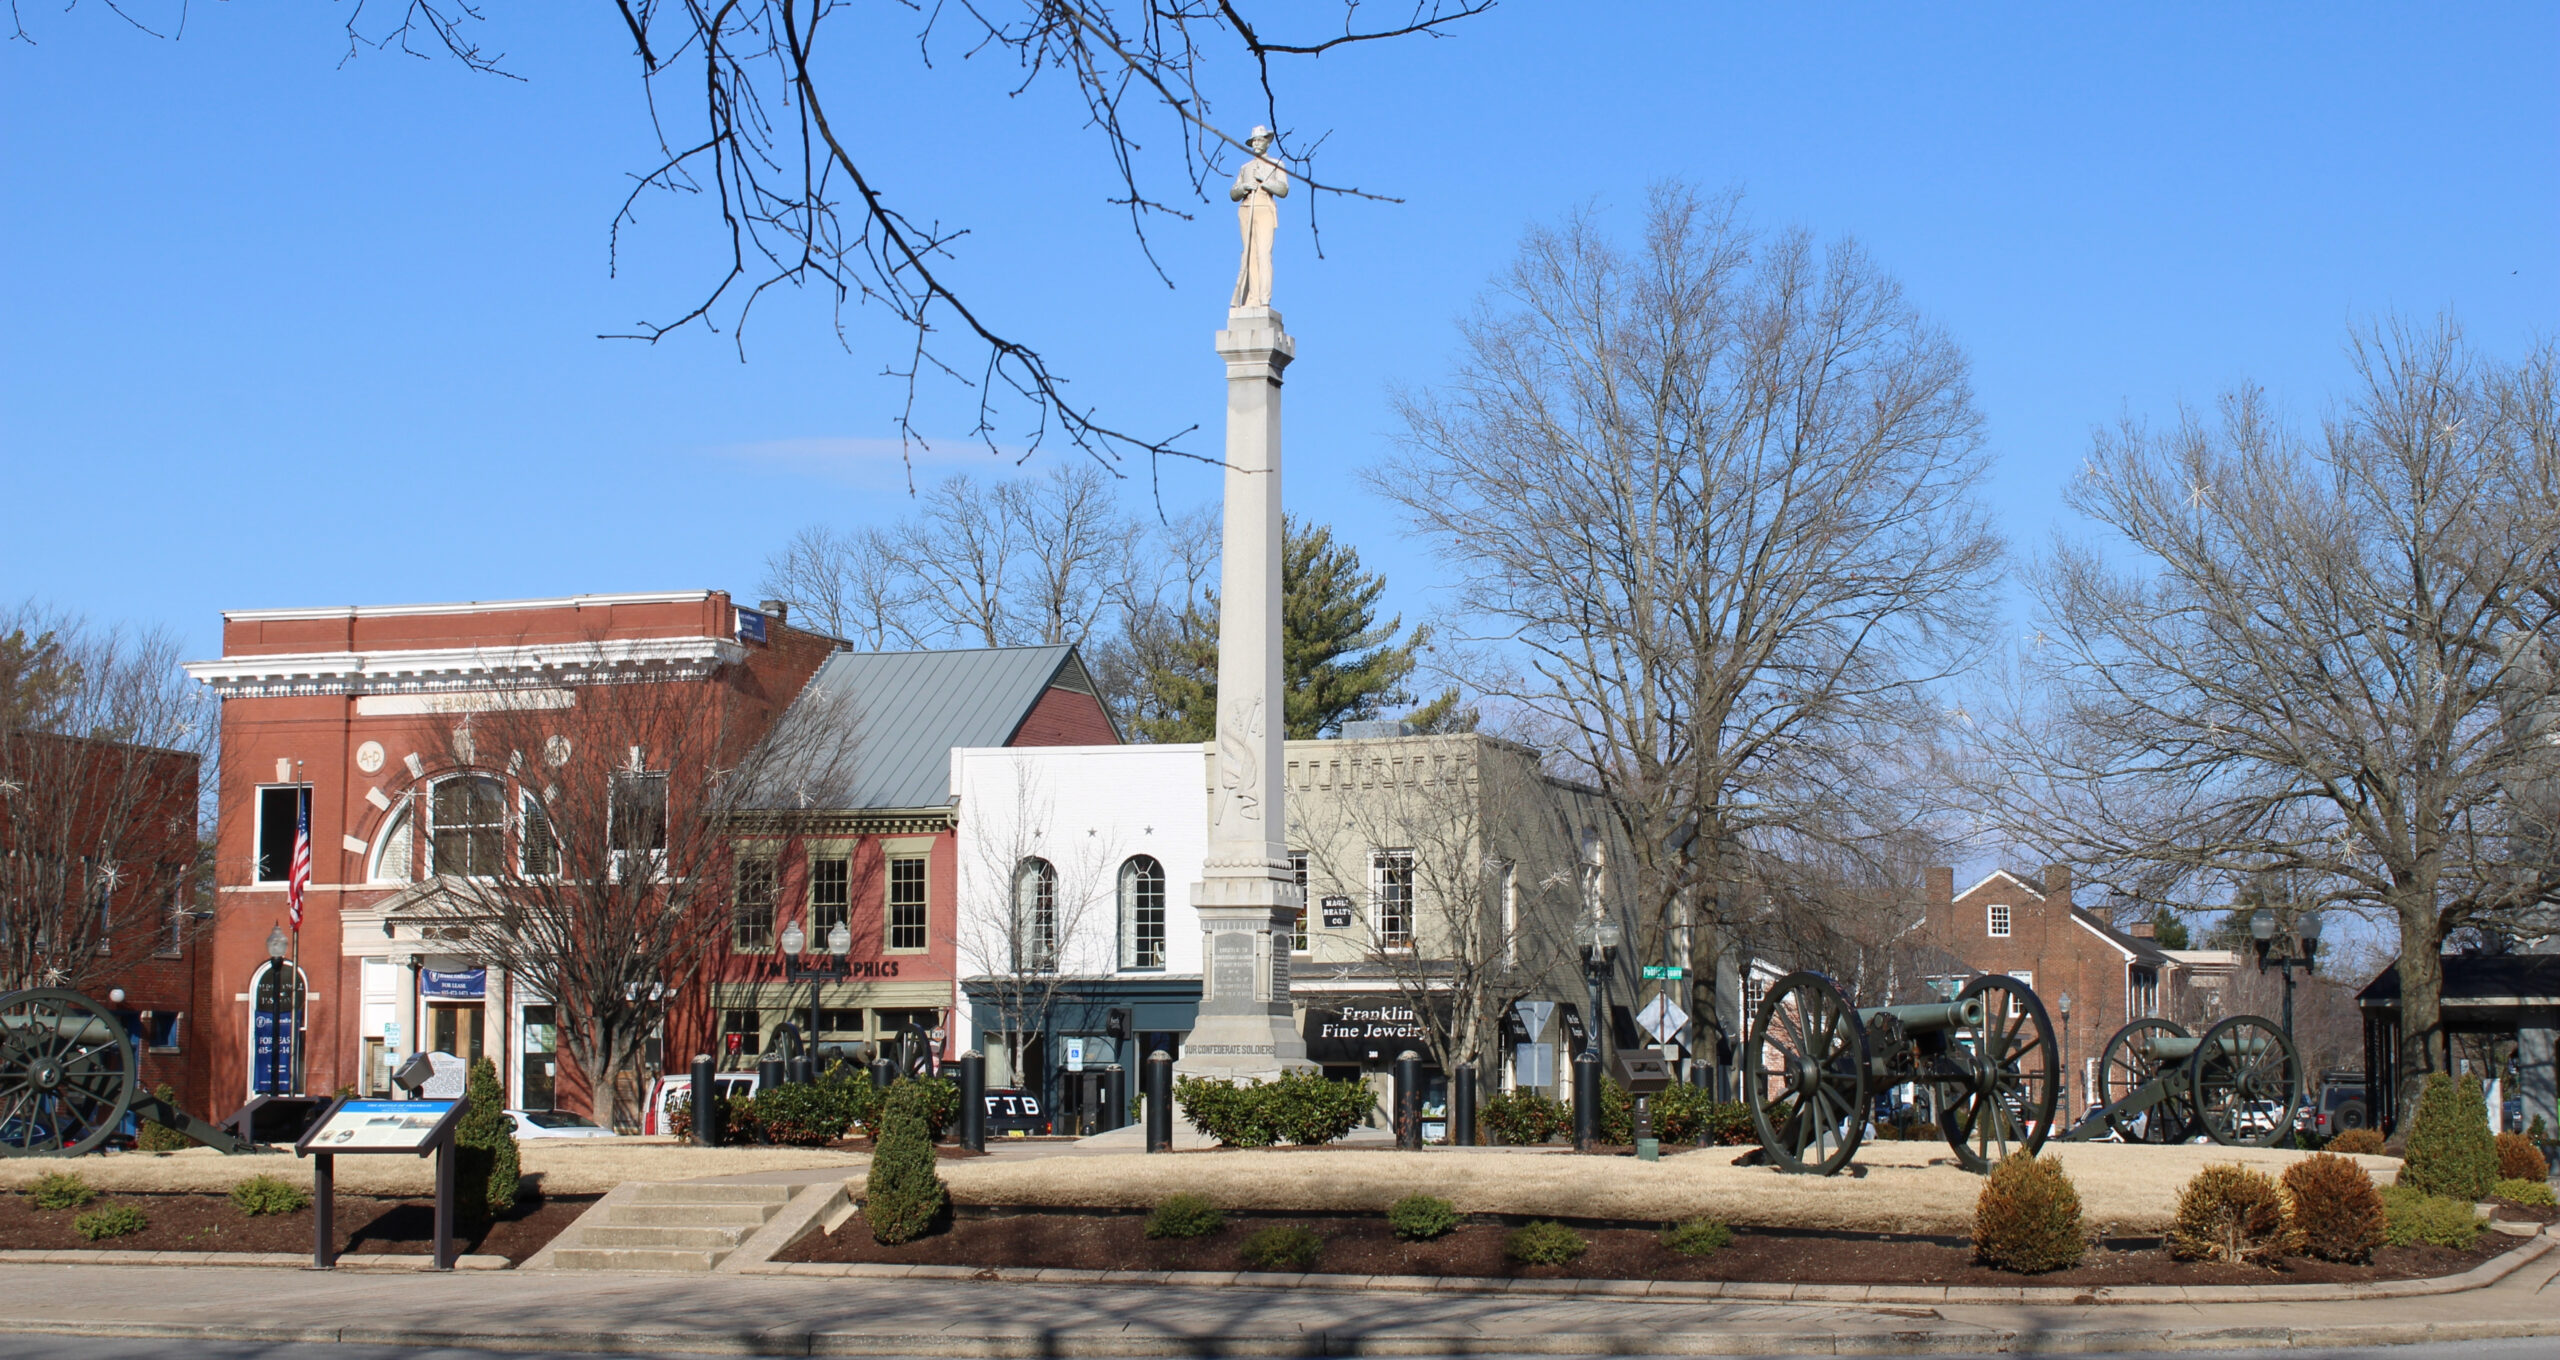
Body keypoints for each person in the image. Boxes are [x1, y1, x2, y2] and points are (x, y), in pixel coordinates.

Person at [1229, 126, 1289, 309]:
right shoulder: (1245, 168)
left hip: (1264, 207)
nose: (1256, 143)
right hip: (1247, 208)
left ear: (1267, 142)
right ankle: (1250, 298)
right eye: (1254, 140)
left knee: (1263, 254)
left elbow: (1283, 190)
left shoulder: (1276, 164)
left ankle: (1264, 298)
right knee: (1248, 255)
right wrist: (1243, 187)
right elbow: (1233, 193)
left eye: (1260, 140)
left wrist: (1266, 180)